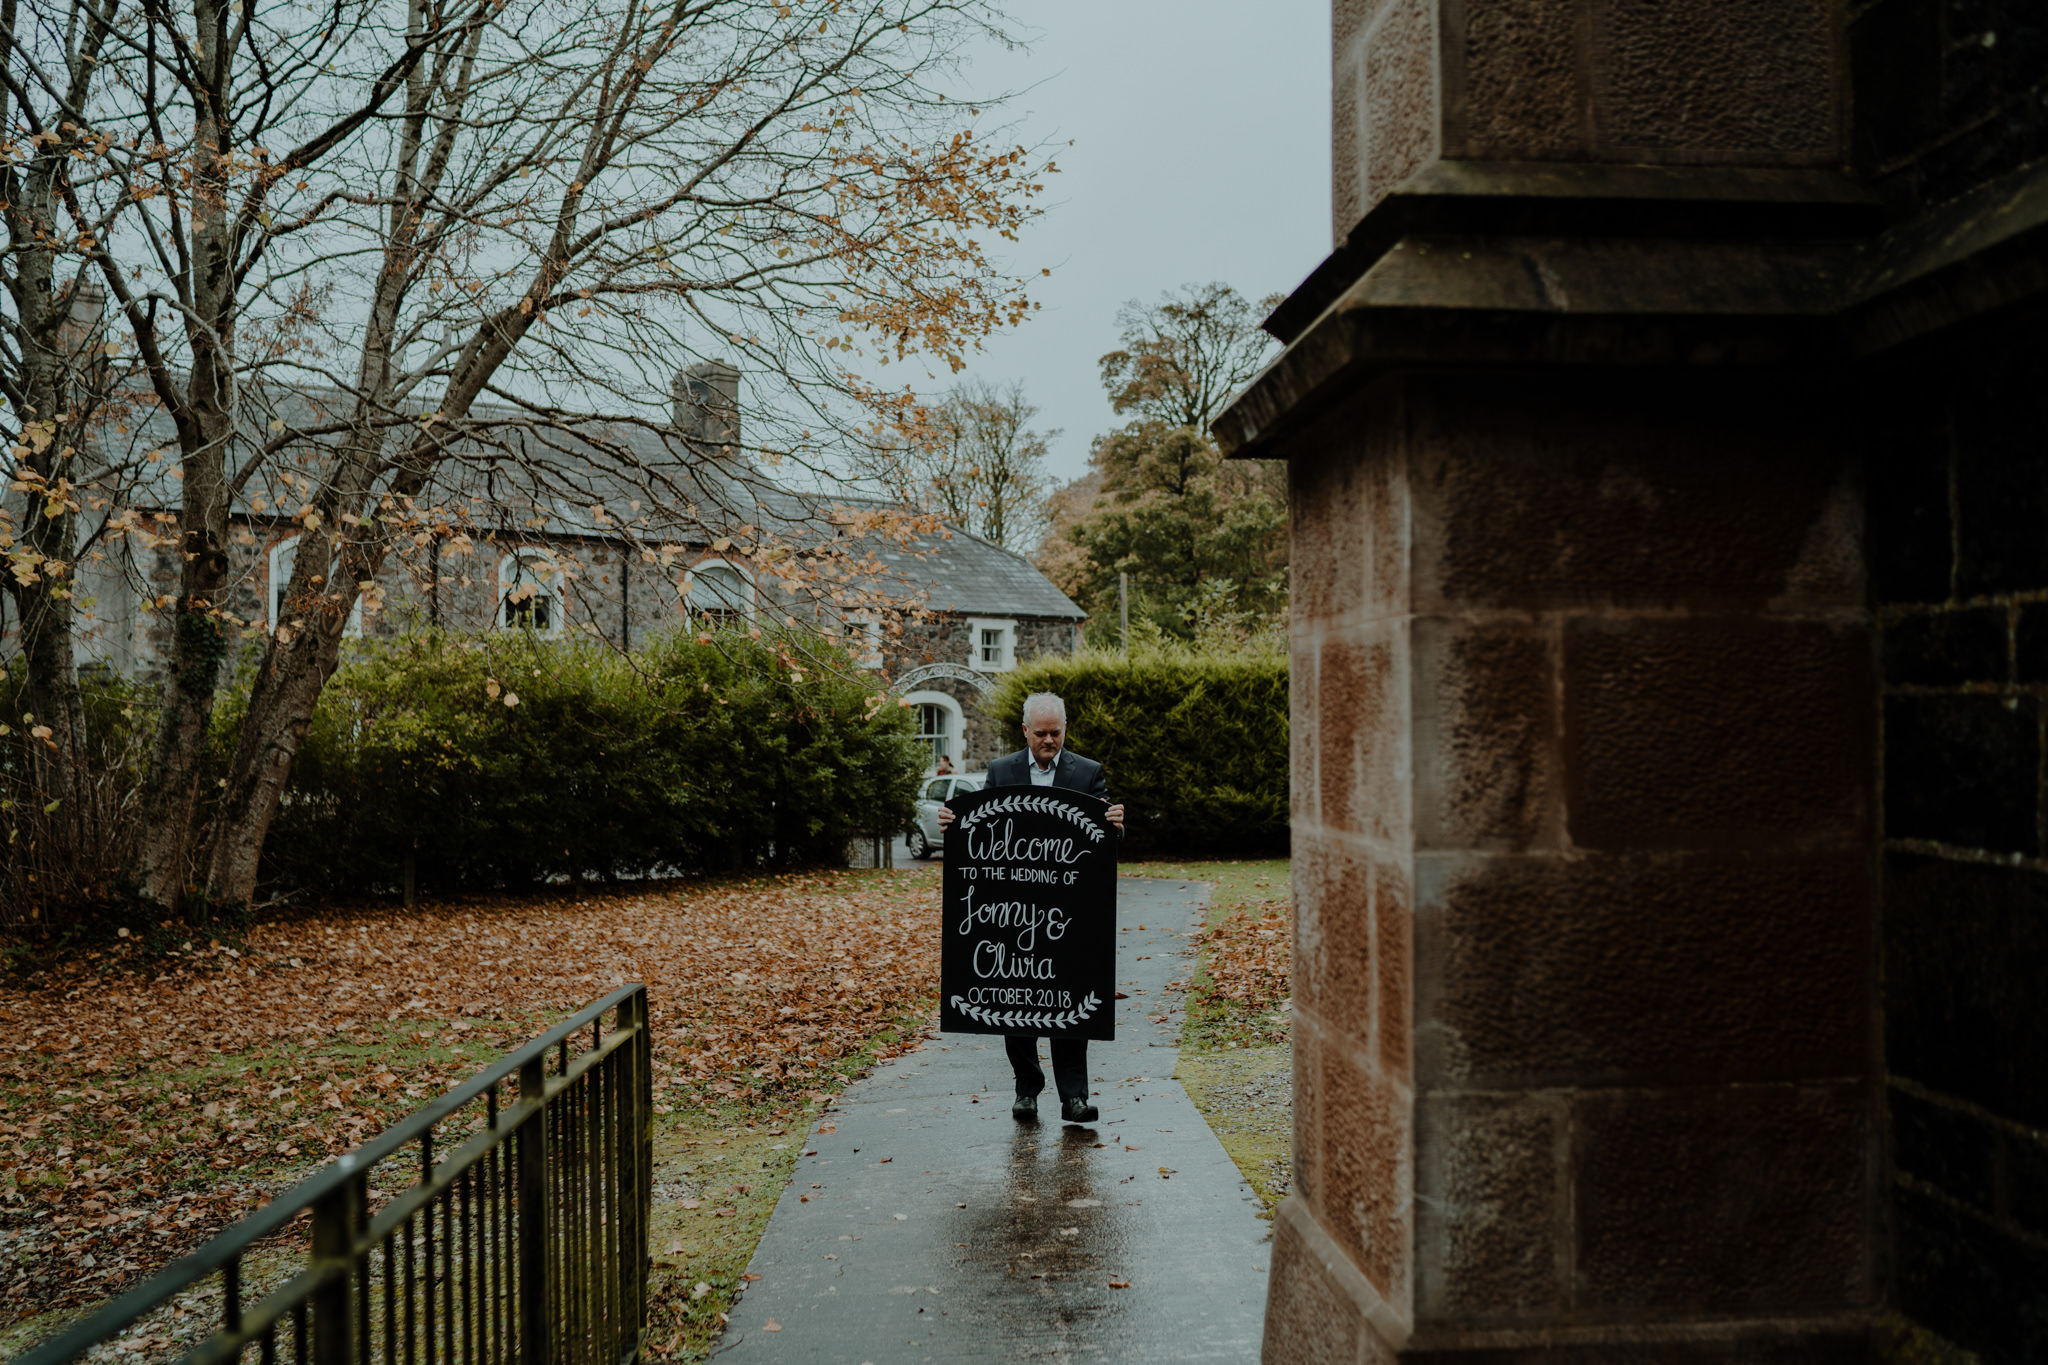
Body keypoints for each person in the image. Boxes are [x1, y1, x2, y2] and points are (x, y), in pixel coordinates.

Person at [938, 691, 1124, 1125]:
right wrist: (953, 824)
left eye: (1055, 733)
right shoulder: (1001, 771)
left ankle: (1074, 1098)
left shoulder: (1089, 773)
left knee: (1070, 999)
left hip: (1068, 914)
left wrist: (1116, 826)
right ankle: (1027, 1089)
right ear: (1025, 731)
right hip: (1013, 913)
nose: (1048, 741)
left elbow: (1103, 842)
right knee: (1015, 998)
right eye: (1040, 733)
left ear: (1065, 729)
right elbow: (979, 830)